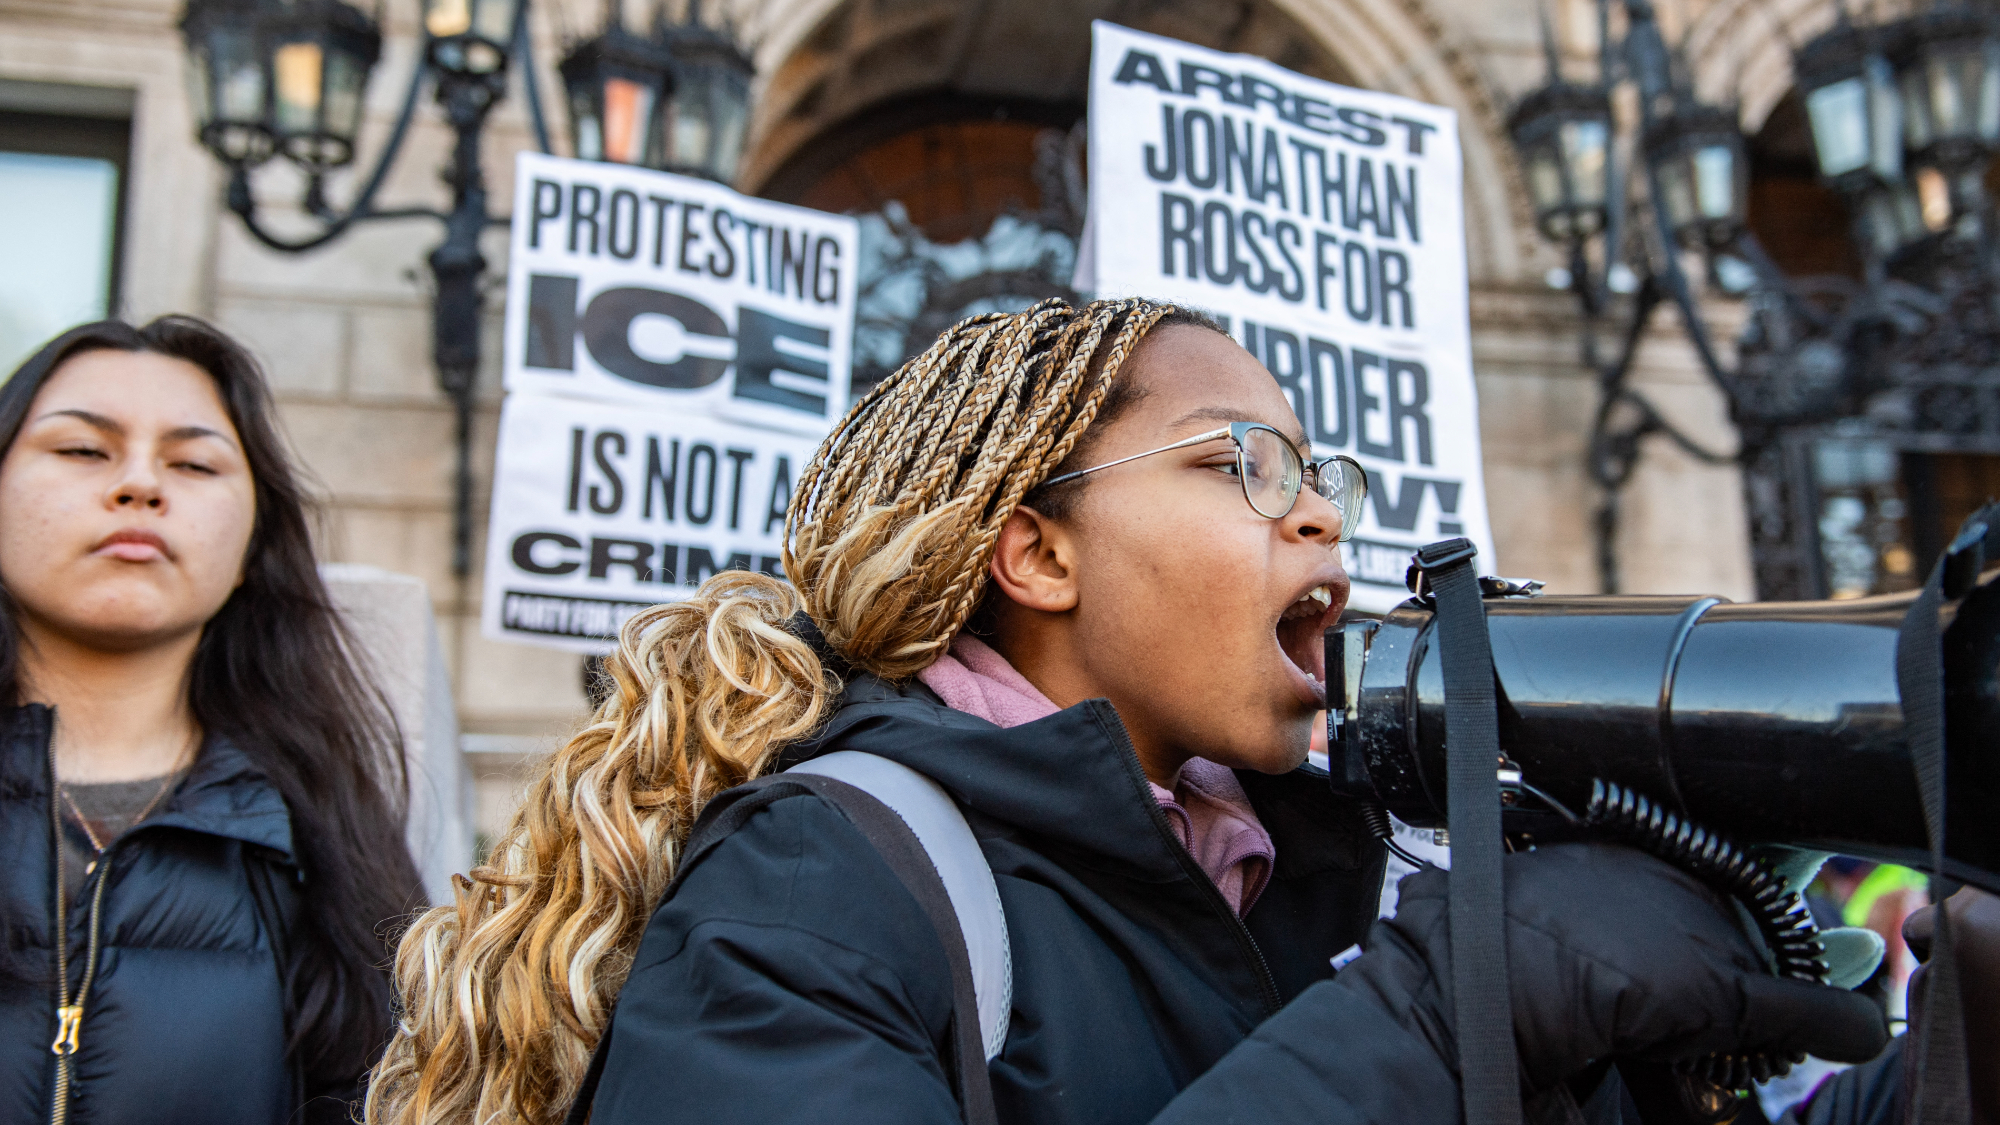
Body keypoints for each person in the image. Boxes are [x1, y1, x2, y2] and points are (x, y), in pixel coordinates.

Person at [370, 299, 1888, 1125]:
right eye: (1245, 465)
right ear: (1036, 551)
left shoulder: (1329, 863)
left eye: (1323, 480)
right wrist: (1447, 1013)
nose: (1321, 528)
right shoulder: (817, 885)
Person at [0, 317, 424, 1124]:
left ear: (253, 543)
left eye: (193, 463)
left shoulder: (327, 847)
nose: (139, 485)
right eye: (82, 450)